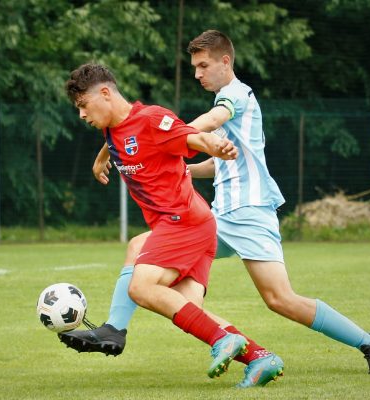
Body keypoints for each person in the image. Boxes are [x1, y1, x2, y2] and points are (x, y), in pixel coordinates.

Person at [59, 31, 370, 381]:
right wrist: (162, 160)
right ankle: (248, 354)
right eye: (194, 67)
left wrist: (182, 136)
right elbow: (204, 162)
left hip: (249, 211)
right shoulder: (154, 119)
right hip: (219, 215)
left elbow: (209, 122)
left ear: (225, 61)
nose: (197, 73)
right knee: (163, 278)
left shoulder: (236, 94)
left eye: (203, 65)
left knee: (280, 299)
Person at [63, 62, 284, 386]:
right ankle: (260, 358)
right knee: (187, 308)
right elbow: (115, 141)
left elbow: (191, 136)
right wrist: (100, 161)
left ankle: (127, 331)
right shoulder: (113, 128)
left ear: (106, 93)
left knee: (141, 286)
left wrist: (216, 146)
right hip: (193, 224)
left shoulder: (152, 119)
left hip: (183, 223)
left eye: (83, 105)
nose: (81, 115)